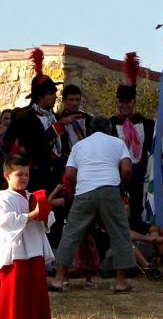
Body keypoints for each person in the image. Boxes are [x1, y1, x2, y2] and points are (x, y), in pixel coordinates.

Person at [48, 116, 136, 294]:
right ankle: (120, 282)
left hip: (84, 191)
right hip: (110, 189)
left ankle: (58, 280)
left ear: (90, 130)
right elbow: (126, 169)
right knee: (119, 234)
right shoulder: (117, 142)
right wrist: (121, 183)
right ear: (109, 129)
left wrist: (83, 182)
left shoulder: (79, 145)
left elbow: (70, 173)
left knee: (71, 234)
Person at [0, 155, 54, 319]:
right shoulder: (3, 199)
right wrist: (33, 215)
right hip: (14, 254)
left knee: (31, 292)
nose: (24, 178)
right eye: (19, 174)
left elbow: (47, 218)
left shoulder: (31, 196)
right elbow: (5, 221)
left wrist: (45, 212)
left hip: (33, 251)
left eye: (26, 174)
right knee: (14, 293)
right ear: (7, 175)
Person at [2, 49, 70, 193]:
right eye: (51, 94)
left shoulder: (55, 117)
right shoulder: (24, 117)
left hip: (57, 172)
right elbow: (6, 143)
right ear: (40, 96)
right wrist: (24, 152)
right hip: (36, 174)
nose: (54, 97)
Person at [110, 52, 154, 233]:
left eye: (128, 102)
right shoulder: (111, 124)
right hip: (118, 174)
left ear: (134, 102)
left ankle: (142, 238)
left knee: (138, 209)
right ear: (117, 103)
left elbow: (153, 147)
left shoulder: (147, 124)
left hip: (140, 173)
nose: (125, 105)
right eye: (122, 102)